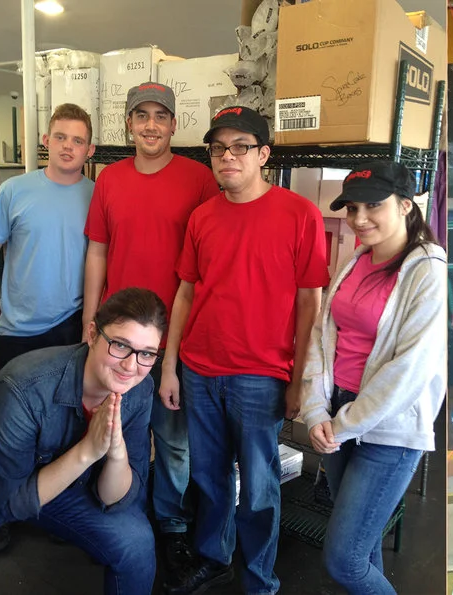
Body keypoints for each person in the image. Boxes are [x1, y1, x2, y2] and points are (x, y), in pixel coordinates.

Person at [155, 106, 330, 595]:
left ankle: (259, 578)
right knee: (208, 479)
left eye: (240, 147)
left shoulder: (300, 215)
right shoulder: (203, 217)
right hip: (199, 370)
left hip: (261, 376)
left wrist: (299, 380)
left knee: (258, 488)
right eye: (218, 148)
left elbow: (309, 300)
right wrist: (170, 367)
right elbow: (186, 292)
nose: (227, 157)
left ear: (263, 155)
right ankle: (214, 559)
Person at [77, 80, 221, 565]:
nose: (152, 125)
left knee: (174, 440)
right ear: (129, 124)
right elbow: (97, 250)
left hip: (171, 336)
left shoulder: (199, 179)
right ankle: (123, 513)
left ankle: (172, 523)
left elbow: (204, 260)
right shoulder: (109, 180)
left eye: (161, 116)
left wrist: (180, 346)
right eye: (142, 116)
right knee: (119, 431)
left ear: (175, 124)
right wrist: (89, 319)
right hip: (117, 335)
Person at [298, 161, 448, 594]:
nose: (359, 219)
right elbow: (323, 338)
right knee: (363, 551)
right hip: (337, 413)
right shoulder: (357, 258)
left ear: (405, 205)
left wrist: (342, 425)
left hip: (388, 431)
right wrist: (314, 411)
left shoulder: (426, 270)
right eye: (352, 209)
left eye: (373, 206)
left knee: (344, 561)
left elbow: (409, 371)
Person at [0, 288, 163, 595]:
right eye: (120, 345)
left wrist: (117, 454)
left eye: (146, 353)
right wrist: (88, 452)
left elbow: (117, 499)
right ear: (92, 334)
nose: (131, 366)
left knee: (135, 541)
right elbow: (10, 504)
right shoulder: (23, 388)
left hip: (50, 479)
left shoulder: (139, 390)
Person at [0, 102, 99, 371]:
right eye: (60, 137)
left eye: (77, 140)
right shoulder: (14, 191)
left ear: (89, 150)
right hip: (18, 331)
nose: (68, 146)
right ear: (46, 141)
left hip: (71, 326)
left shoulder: (98, 197)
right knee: (15, 408)